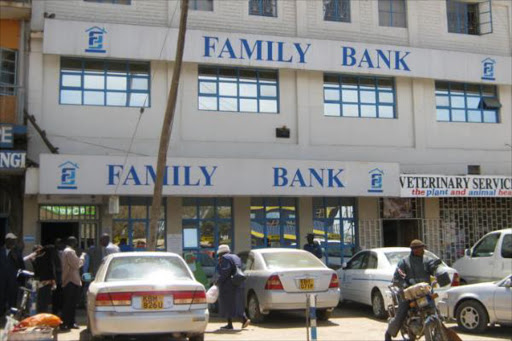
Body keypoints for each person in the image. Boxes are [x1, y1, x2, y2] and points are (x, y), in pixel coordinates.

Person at [385, 239, 441, 341]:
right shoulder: (404, 262)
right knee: (401, 313)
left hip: (424, 293)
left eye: (422, 247)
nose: (422, 250)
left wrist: (438, 272)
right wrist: (405, 285)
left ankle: (439, 332)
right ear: (414, 250)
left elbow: (433, 268)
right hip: (409, 295)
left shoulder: (427, 260)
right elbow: (397, 277)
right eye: (420, 248)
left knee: (436, 311)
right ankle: (389, 333)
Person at [215, 244, 250, 330]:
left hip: (229, 285)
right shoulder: (236, 257)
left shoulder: (225, 258)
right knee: (237, 303)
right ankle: (243, 319)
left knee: (227, 303)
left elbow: (225, 271)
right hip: (238, 283)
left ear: (220, 253)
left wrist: (217, 282)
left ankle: (231, 324)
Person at [60, 236, 85, 331]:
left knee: (71, 304)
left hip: (69, 280)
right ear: (73, 243)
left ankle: (70, 322)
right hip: (71, 281)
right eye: (75, 242)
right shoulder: (70, 252)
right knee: (69, 304)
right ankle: (65, 323)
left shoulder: (65, 251)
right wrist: (82, 257)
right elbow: (77, 264)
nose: (76, 244)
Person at [28, 244, 59, 313]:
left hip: (48, 282)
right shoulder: (37, 259)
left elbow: (51, 247)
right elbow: (37, 272)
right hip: (41, 283)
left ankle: (43, 314)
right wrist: (33, 261)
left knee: (45, 301)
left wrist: (53, 280)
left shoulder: (47, 256)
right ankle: (40, 314)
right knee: (41, 301)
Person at [0, 233, 25, 315]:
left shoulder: (16, 252)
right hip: (2, 281)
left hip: (13, 281)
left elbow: (22, 267)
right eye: (12, 240)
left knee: (12, 299)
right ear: (7, 241)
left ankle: (11, 315)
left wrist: (21, 281)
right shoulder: (1, 251)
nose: (14, 242)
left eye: (14, 240)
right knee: (1, 298)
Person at [52, 238, 65, 316]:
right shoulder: (53, 253)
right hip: (56, 278)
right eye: (57, 243)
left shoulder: (65, 253)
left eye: (60, 243)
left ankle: (60, 310)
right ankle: (55, 311)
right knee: (55, 296)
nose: (58, 245)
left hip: (63, 279)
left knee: (62, 296)